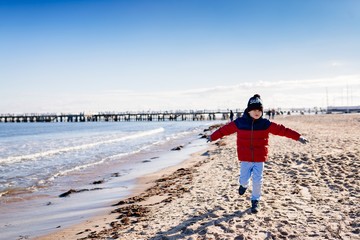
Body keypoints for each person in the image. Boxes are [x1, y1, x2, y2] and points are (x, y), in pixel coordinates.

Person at [207, 94, 308, 213]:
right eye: (254, 110)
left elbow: (282, 130)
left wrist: (298, 137)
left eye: (259, 110)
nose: (257, 112)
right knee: (244, 180)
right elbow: (224, 130)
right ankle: (244, 185)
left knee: (258, 180)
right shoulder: (239, 123)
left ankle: (255, 201)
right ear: (249, 110)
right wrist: (213, 137)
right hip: (245, 158)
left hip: (259, 158)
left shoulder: (265, 124)